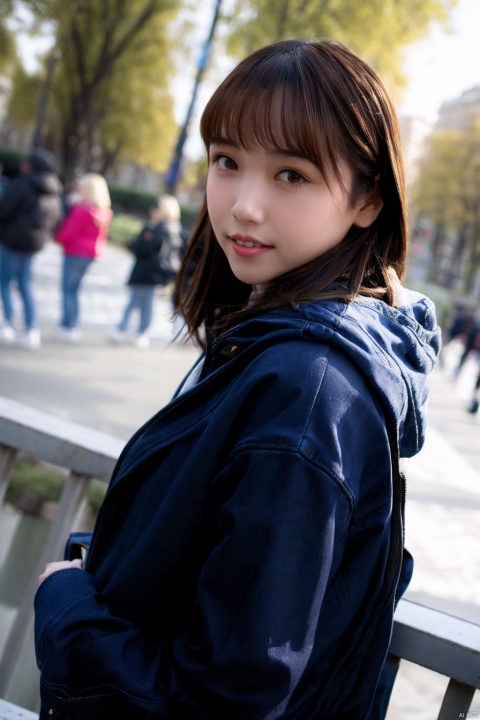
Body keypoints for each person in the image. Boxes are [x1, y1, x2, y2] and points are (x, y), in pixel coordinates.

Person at [34, 40, 440, 719]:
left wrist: (66, 607)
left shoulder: (308, 394)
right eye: (227, 162)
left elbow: (224, 700)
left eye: (292, 175)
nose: (244, 206)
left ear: (369, 198)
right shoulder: (283, 351)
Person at [0, 148, 62, 349]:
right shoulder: (54, 190)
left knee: (5, 281)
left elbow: (5, 210)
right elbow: (55, 218)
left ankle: (7, 323)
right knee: (25, 283)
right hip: (34, 243)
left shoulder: (21, 184)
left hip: (12, 240)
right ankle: (31, 327)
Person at [108, 194, 183, 348]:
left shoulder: (159, 228)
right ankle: (136, 331)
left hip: (148, 272)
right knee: (142, 302)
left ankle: (132, 330)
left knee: (139, 301)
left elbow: (142, 247)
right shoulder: (172, 228)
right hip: (154, 273)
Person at [54, 173, 112, 342]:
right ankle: (72, 325)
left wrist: (57, 237)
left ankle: (67, 325)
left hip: (74, 253)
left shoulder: (81, 209)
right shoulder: (103, 212)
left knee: (68, 290)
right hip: (89, 255)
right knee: (75, 290)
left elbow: (68, 233)